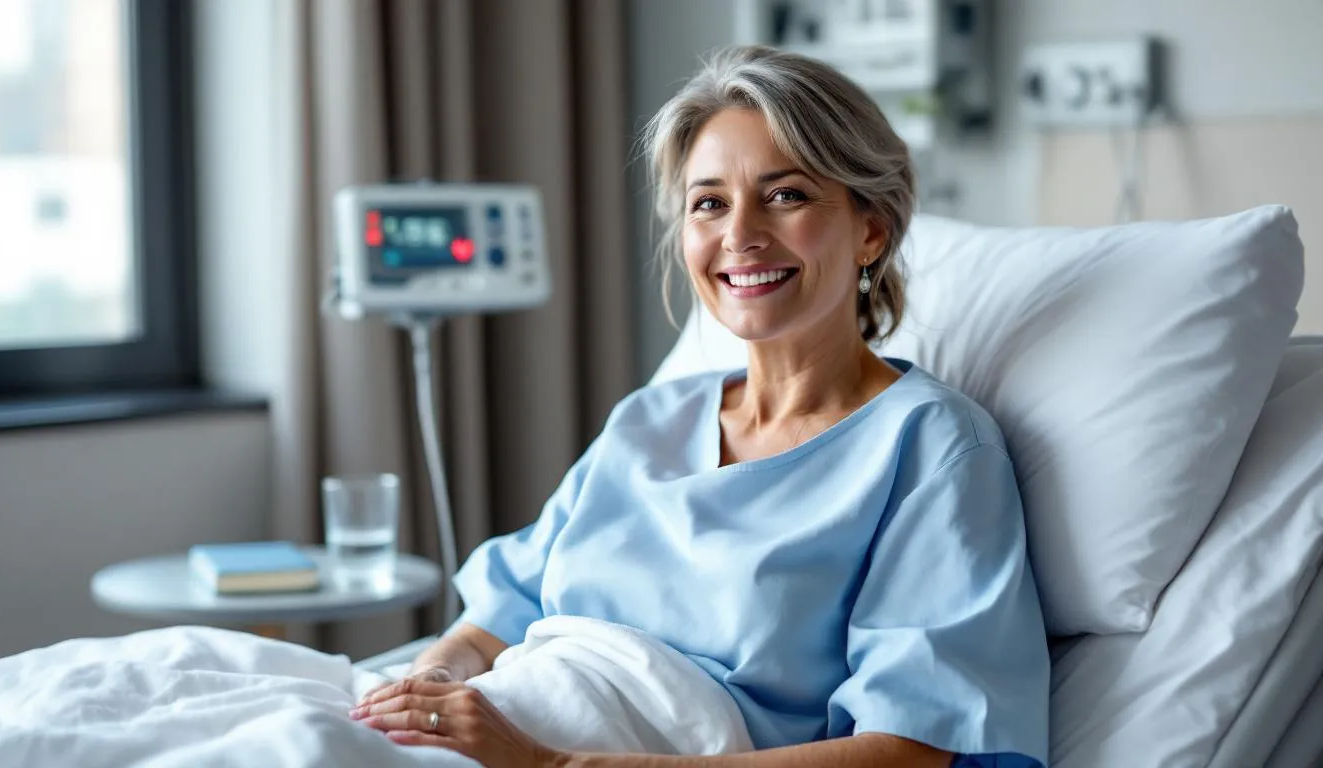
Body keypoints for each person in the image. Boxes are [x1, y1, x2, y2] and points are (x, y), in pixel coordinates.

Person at [349, 45, 1050, 768]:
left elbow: (910, 750)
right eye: (709, 202)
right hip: (510, 710)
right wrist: (429, 686)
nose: (740, 235)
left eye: (786, 195)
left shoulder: (930, 448)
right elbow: (492, 620)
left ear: (871, 229)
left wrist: (554, 765)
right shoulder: (649, 421)